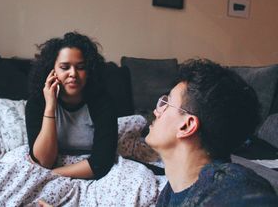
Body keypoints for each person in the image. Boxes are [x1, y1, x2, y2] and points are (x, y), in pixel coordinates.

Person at [145, 59, 277, 206]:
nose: (157, 111)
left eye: (166, 103)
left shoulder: (233, 188)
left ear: (186, 126)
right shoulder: (172, 190)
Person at [25, 31, 117, 180]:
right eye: (65, 67)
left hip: (86, 171)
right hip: (47, 168)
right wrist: (50, 106)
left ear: (89, 71)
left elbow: (101, 163)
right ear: (52, 70)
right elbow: (43, 161)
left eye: (80, 67)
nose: (73, 73)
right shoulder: (37, 103)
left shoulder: (103, 103)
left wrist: (53, 174)